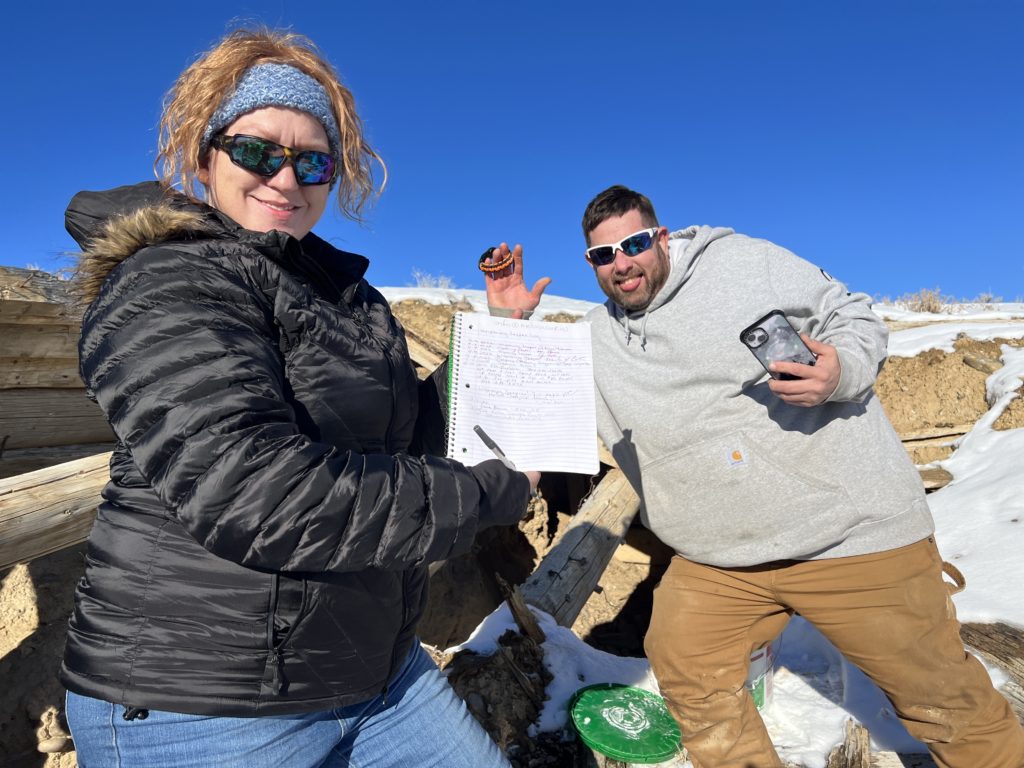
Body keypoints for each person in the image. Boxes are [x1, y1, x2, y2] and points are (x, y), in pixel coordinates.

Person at [62, 28, 538, 768]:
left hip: (375, 671)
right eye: (256, 151)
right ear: (204, 156)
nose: (285, 179)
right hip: (200, 699)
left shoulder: (349, 299)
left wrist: (497, 338)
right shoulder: (168, 282)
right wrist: (490, 493)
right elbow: (254, 493)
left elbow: (402, 440)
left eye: (312, 160)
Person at [483, 185, 1024, 768]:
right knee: (686, 665)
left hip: (848, 536)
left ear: (660, 237)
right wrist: (511, 324)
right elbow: (529, 395)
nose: (622, 263)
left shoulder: (740, 263)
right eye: (602, 255)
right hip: (720, 559)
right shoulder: (596, 338)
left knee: (942, 702)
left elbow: (852, 314)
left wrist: (840, 372)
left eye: (634, 244)